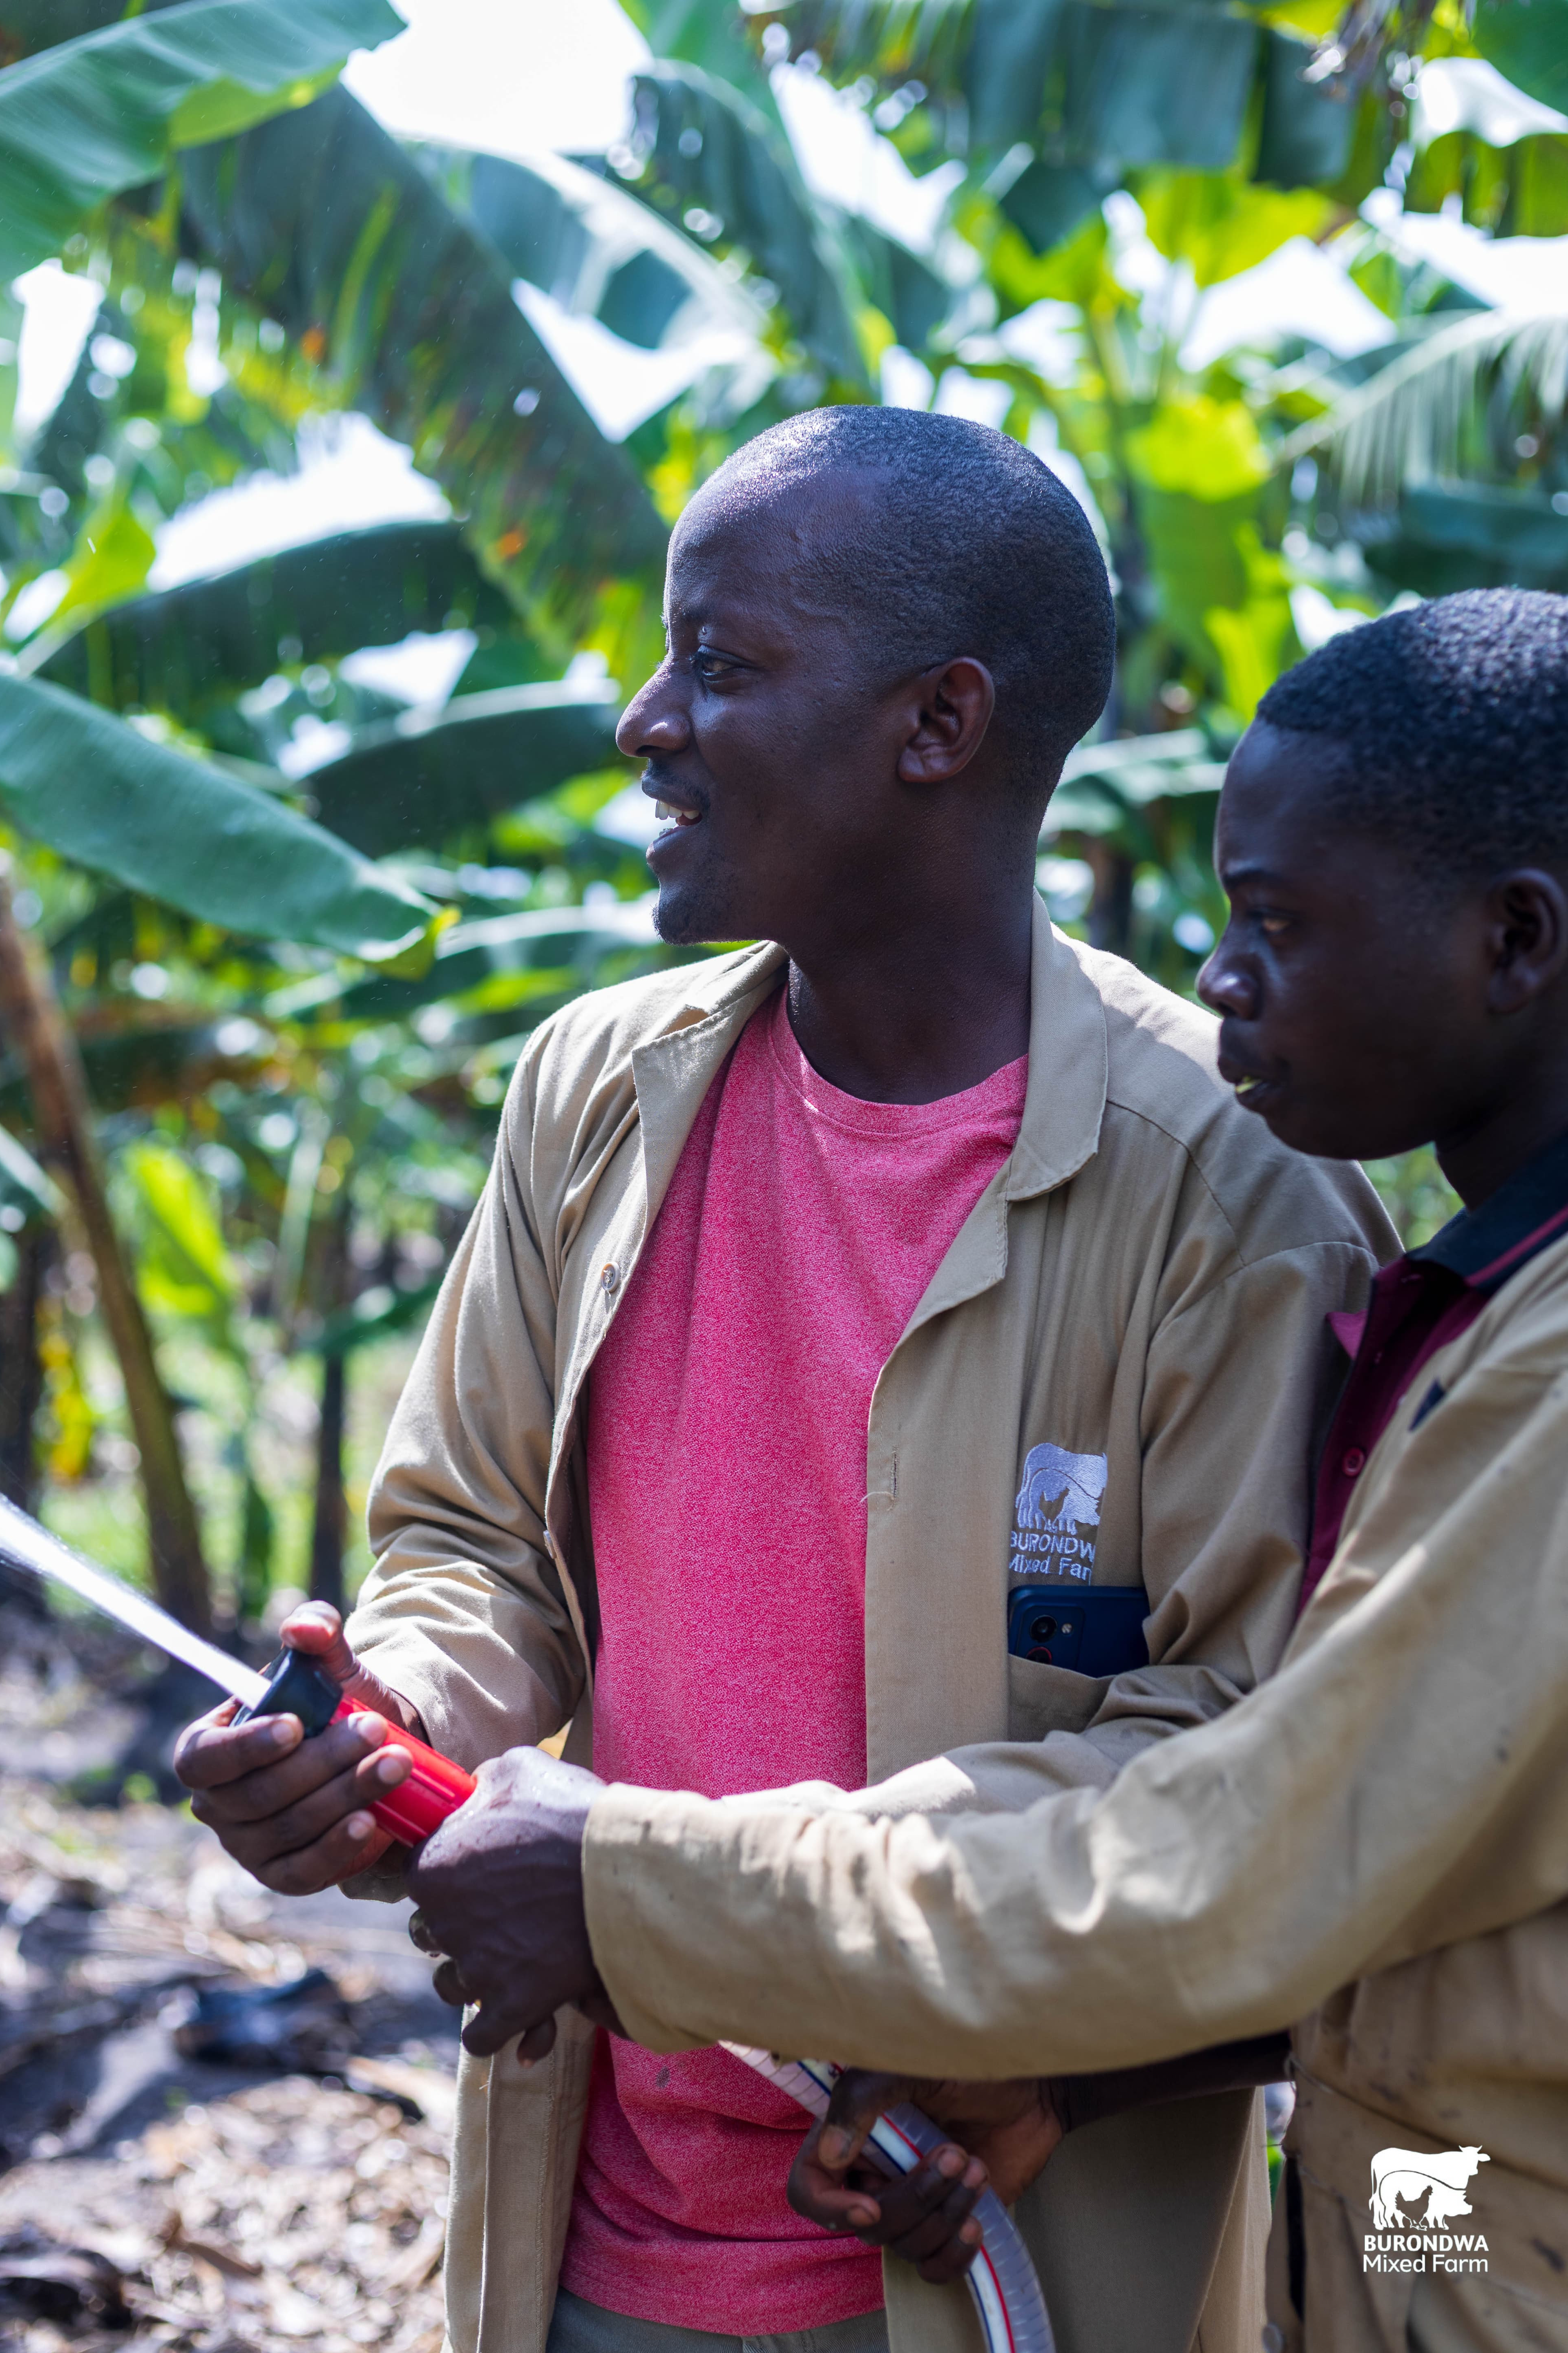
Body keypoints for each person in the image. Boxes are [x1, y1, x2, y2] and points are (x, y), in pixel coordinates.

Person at [173, 406, 1392, 2353]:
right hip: (597, 2233)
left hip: (995, 2259)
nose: (647, 721)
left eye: (723, 666)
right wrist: (393, 1706)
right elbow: (479, 1538)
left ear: (940, 724)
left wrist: (644, 1890)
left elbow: (1235, 1780)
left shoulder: (1235, 1203)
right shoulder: (597, 1091)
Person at [405, 589, 1568, 2353]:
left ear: (1516, 943)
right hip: (1420, 2206)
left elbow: (1262, 1854)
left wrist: (632, 1887)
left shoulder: (1284, 1222)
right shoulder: (1486, 1304)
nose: (1223, 974)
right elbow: (1388, 1920)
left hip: (1454, 2231)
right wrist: (1072, 2088)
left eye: (1274, 923)